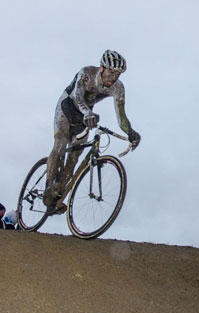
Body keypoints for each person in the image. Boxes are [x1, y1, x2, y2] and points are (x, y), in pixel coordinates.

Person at [44, 50, 141, 214]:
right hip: (67, 108)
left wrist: (131, 132)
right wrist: (87, 113)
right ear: (102, 68)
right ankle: (48, 187)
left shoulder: (118, 88)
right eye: (111, 72)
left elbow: (121, 117)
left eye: (117, 74)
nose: (113, 78)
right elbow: (77, 97)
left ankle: (58, 197)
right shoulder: (87, 73)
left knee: (74, 158)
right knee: (60, 144)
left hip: (85, 117)